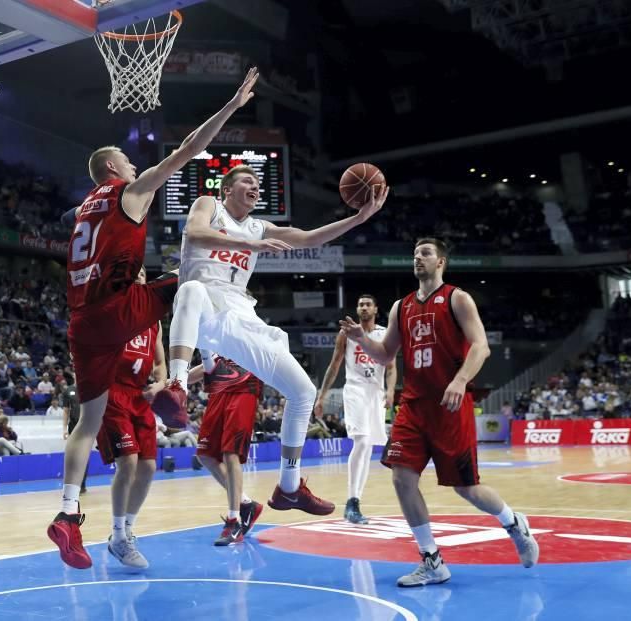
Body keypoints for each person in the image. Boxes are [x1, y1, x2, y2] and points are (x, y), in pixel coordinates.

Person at [48, 67, 261, 570]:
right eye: (125, 157)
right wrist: (231, 106)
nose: (131, 159)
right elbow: (189, 147)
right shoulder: (130, 192)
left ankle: (67, 514)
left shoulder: (83, 210)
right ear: (114, 168)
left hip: (82, 321)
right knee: (191, 279)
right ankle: (188, 377)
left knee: (86, 423)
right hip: (119, 308)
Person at [153, 164, 388, 515]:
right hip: (203, 308)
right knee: (190, 289)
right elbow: (195, 233)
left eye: (258, 184)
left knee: (303, 392)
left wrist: (358, 218)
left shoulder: (259, 226)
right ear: (226, 189)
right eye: (248, 181)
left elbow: (308, 238)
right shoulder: (208, 205)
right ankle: (177, 385)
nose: (255, 187)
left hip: (239, 316)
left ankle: (289, 487)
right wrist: (251, 243)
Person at [339, 238, 539, 587]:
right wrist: (361, 338)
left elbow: (482, 347)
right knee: (401, 477)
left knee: (467, 489)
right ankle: (431, 560)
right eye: (415, 254)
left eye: (425, 253)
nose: (418, 258)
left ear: (441, 261)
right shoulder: (400, 307)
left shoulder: (457, 298)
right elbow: (386, 356)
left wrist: (461, 380)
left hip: (450, 405)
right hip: (414, 405)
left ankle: (513, 522)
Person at [95, 267, 166, 569]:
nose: (138, 277)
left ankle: (126, 531)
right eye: (133, 274)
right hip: (113, 392)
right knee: (129, 462)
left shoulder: (154, 321)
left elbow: (161, 363)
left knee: (149, 466)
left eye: (142, 274)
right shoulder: (113, 310)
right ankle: (118, 534)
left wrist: (161, 384)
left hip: (139, 396)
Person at [315, 294, 396, 523]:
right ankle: (351, 501)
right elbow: (335, 364)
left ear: (376, 309)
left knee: (368, 445)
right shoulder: (346, 333)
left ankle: (355, 501)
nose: (363, 307)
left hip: (376, 392)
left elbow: (391, 368)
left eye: (368, 304)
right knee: (361, 441)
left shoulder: (384, 334)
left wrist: (390, 391)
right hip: (355, 389)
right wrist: (321, 396)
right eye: (360, 304)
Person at [188, 353, 264, 546]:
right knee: (205, 455)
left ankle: (234, 521)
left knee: (230, 454)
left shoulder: (250, 333)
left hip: (244, 388)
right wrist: (175, 381)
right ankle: (247, 504)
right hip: (219, 390)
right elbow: (208, 365)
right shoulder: (217, 338)